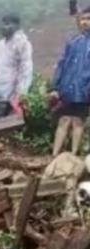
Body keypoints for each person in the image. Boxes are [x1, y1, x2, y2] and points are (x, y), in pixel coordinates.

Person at [51, 8, 90, 156]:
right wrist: (55, 86)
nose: (85, 22)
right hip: (67, 88)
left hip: (84, 90)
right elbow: (61, 64)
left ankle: (73, 156)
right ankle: (54, 155)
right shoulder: (73, 41)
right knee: (63, 120)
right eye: (83, 19)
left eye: (89, 19)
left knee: (78, 122)